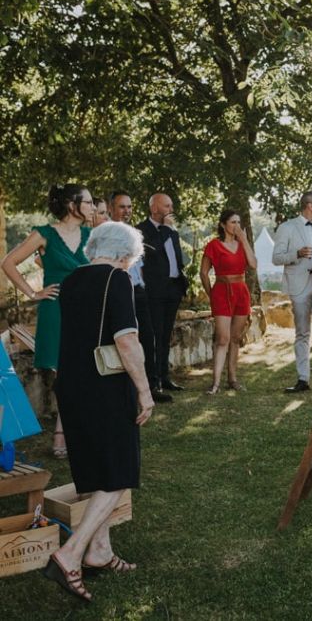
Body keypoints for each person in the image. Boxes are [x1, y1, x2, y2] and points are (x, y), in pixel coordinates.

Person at [43, 222, 154, 602]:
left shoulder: (71, 281)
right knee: (118, 474)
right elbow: (126, 340)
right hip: (105, 388)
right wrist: (145, 391)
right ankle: (70, 554)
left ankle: (99, 552)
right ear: (126, 254)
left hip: (71, 387)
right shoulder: (117, 279)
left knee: (93, 471)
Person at [1, 184, 92, 458]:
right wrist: (33, 292)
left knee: (83, 371)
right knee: (65, 375)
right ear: (71, 205)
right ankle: (63, 434)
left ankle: (75, 431)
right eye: (86, 202)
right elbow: (8, 262)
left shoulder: (92, 234)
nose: (91, 206)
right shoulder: (44, 233)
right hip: (57, 310)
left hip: (86, 310)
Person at [108, 191, 170, 403]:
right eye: (122, 207)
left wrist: (143, 287)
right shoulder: (107, 234)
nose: (127, 211)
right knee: (125, 340)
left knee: (148, 337)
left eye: (130, 207)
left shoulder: (134, 233)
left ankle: (151, 387)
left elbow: (140, 266)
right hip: (120, 291)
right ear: (111, 209)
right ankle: (126, 389)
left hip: (139, 290)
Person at [272, 191, 312, 393]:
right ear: (309, 205)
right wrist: (296, 254)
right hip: (299, 285)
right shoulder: (287, 227)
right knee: (302, 333)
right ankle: (303, 379)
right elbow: (276, 258)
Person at [200, 209, 257, 394]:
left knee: (235, 337)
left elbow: (253, 265)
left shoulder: (242, 244)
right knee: (223, 338)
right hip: (222, 290)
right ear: (223, 224)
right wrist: (212, 294)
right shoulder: (213, 245)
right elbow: (203, 273)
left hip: (241, 290)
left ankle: (232, 378)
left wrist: (244, 239)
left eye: (239, 222)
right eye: (233, 222)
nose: (237, 226)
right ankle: (215, 382)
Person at [137, 193, 188, 394]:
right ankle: (154, 380)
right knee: (155, 335)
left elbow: (177, 256)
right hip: (155, 290)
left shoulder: (171, 230)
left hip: (173, 288)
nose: (171, 210)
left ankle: (165, 377)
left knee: (167, 334)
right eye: (167, 206)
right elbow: (154, 251)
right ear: (154, 208)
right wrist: (167, 229)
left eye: (171, 205)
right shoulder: (141, 230)